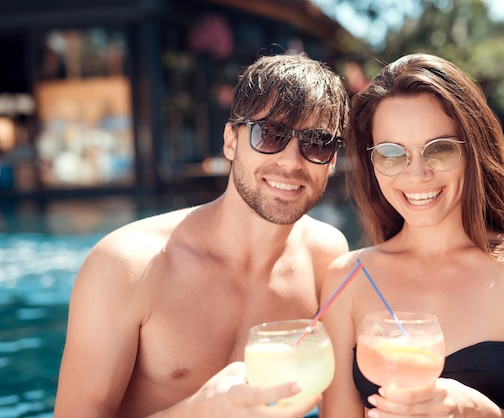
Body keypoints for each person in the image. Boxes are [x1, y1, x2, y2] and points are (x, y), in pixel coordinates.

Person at [54, 52, 350, 417]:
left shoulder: (327, 257)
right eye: (269, 134)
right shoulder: (126, 265)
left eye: (317, 143)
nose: (291, 161)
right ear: (230, 141)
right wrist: (198, 411)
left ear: (332, 161)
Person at [321, 53, 504, 417]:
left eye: (438, 149)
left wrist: (474, 410)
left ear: (473, 150)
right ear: (371, 162)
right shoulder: (346, 278)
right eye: (392, 154)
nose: (417, 174)